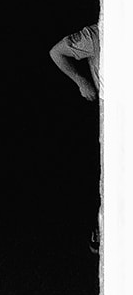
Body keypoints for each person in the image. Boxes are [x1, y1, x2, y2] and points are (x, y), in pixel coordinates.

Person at [48, 21, 102, 253]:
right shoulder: (98, 34)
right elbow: (57, 52)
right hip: (110, 114)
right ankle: (101, 230)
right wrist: (81, 82)